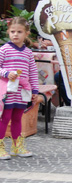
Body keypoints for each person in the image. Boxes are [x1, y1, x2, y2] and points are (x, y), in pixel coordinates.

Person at [0, 17, 40, 159]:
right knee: (5, 118)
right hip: (7, 92)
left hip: (22, 92)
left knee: (17, 118)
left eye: (19, 32)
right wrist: (6, 73)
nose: (15, 34)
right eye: (12, 32)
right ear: (8, 33)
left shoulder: (28, 53)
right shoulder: (4, 50)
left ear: (26, 33)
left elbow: (33, 73)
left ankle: (17, 146)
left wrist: (34, 91)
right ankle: (0, 146)